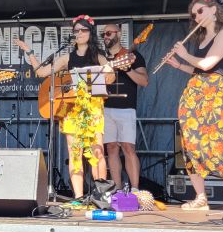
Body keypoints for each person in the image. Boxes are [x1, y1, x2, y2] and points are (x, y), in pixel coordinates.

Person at [15, 15, 115, 200]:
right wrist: (29, 52)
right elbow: (41, 72)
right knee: (75, 152)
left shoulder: (99, 57)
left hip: (93, 109)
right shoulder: (66, 58)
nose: (79, 33)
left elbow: (111, 79)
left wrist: (109, 71)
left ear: (90, 32)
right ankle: (78, 196)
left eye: (83, 30)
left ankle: (101, 196)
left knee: (97, 150)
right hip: (71, 109)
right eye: (76, 31)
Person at [163, 0, 223, 211]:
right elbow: (198, 70)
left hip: (214, 91)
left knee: (217, 140)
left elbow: (209, 64)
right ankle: (201, 198)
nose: (197, 16)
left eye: (200, 11)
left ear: (213, 9)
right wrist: (178, 64)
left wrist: (184, 54)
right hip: (194, 90)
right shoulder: (201, 39)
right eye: (194, 14)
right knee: (190, 144)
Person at [102, 22, 148, 191]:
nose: (105, 37)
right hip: (105, 108)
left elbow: (144, 81)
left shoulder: (133, 55)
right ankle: (117, 189)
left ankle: (135, 189)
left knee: (128, 147)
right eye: (103, 35)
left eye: (108, 33)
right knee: (111, 148)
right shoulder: (101, 58)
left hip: (126, 107)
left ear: (118, 33)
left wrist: (128, 69)